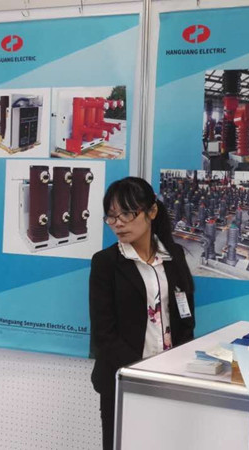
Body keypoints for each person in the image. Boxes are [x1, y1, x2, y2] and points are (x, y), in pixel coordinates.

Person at [89, 177, 196, 450]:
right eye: (111, 216)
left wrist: (179, 366)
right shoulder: (106, 263)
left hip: (170, 377)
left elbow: (185, 317)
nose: (118, 223)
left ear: (152, 211)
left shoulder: (174, 255)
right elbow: (104, 334)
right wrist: (142, 371)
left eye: (127, 213)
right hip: (123, 379)